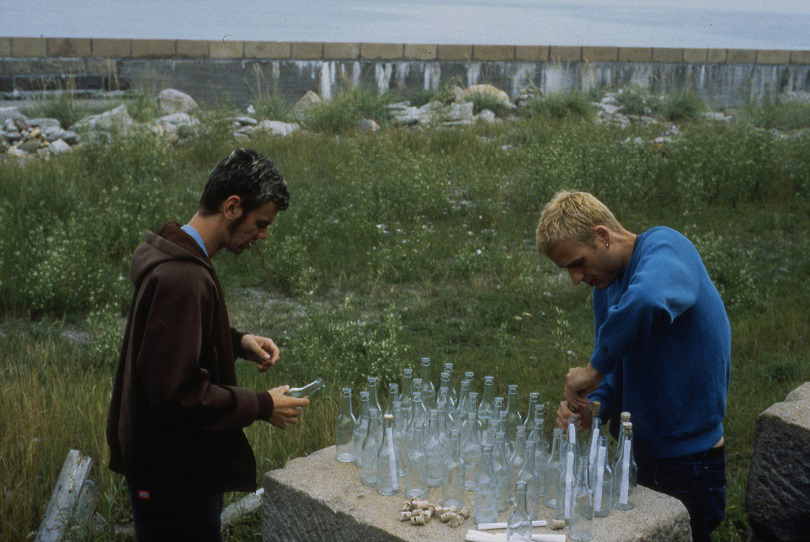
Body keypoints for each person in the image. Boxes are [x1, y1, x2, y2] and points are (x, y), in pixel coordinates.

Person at [106, 148, 309, 542]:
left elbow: (167, 344)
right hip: (173, 477)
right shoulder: (184, 278)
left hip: (168, 467)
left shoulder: (175, 252)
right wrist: (263, 405)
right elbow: (178, 395)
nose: (263, 235)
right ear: (232, 206)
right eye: (261, 223)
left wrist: (234, 342)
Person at [535, 190, 730, 542]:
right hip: (637, 455)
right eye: (567, 270)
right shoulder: (605, 287)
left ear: (603, 236)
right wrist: (593, 408)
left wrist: (593, 368)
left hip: (691, 463)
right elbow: (615, 363)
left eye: (578, 263)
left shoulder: (667, 248)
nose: (576, 278)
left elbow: (646, 300)